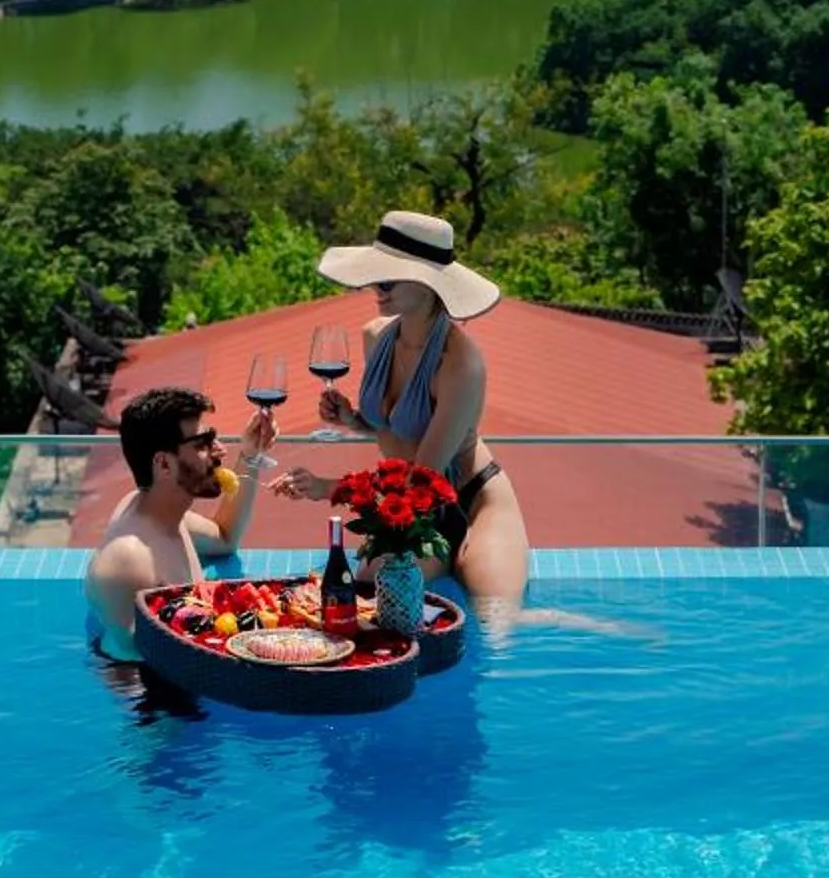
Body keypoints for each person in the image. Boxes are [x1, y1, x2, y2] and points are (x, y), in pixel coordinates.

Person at [304, 209, 530, 613]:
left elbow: (423, 480)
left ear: (430, 284)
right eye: (377, 273)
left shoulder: (460, 365)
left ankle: (596, 628)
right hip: (411, 509)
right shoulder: (376, 336)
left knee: (495, 620)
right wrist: (353, 420)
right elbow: (394, 433)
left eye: (391, 275)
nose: (378, 284)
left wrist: (329, 488)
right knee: (369, 591)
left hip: (473, 502)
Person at [85, 385, 277, 664]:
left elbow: (224, 537)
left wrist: (249, 456)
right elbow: (133, 669)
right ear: (163, 464)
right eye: (202, 444)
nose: (220, 451)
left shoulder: (166, 515)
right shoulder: (130, 563)